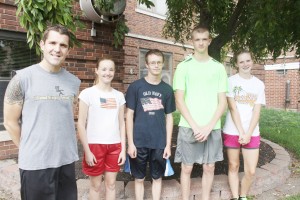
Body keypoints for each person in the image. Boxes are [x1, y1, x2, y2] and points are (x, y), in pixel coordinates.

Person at [3, 25, 81, 200]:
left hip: (66, 162)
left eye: (63, 45)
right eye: (52, 43)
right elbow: (10, 122)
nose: (57, 49)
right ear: (42, 45)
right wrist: (28, 148)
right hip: (35, 164)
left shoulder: (73, 82)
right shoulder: (22, 79)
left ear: (68, 49)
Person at [173, 25, 228, 200]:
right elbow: (179, 100)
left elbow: (223, 102)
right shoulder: (183, 67)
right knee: (187, 168)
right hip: (189, 126)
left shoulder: (218, 68)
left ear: (209, 40)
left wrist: (208, 127)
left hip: (212, 127)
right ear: (192, 41)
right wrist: (196, 126)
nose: (201, 43)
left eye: (204, 39)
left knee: (209, 167)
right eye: (197, 39)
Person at [125, 49, 176, 200]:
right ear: (146, 65)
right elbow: (129, 115)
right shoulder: (135, 87)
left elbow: (170, 118)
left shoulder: (167, 90)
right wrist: (130, 143)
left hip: (159, 142)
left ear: (163, 64)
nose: (156, 65)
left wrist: (167, 145)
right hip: (139, 142)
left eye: (159, 62)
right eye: (152, 62)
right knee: (139, 178)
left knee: (157, 178)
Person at [77, 58, 126, 200]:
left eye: (111, 69)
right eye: (104, 69)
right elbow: (81, 123)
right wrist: (87, 150)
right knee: (96, 186)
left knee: (111, 185)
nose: (107, 72)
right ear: (97, 71)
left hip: (114, 146)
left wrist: (123, 149)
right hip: (94, 146)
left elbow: (122, 123)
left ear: (114, 72)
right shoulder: (87, 94)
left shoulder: (119, 96)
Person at [222, 49, 266, 200]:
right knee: (233, 166)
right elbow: (233, 108)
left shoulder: (259, 84)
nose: (245, 64)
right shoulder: (231, 81)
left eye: (248, 60)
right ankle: (236, 197)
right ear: (236, 64)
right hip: (233, 130)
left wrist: (248, 133)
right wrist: (241, 131)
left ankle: (243, 195)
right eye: (241, 61)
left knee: (251, 171)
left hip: (252, 132)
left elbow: (256, 111)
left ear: (252, 61)